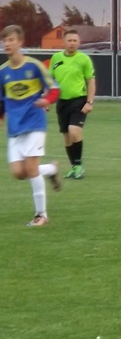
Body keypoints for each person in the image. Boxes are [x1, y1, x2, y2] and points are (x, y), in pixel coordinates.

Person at [0, 25, 63, 227]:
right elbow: (1, 101)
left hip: (35, 122)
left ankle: (41, 215)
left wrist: (46, 101)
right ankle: (51, 169)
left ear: (20, 42)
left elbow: (54, 88)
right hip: (14, 127)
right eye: (4, 40)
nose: (7, 43)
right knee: (19, 173)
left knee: (31, 168)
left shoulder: (34, 66)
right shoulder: (2, 72)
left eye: (11, 40)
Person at [49, 28, 96, 179]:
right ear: (64, 42)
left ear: (79, 42)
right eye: (69, 40)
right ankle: (74, 167)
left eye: (75, 40)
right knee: (67, 136)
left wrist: (89, 102)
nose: (72, 43)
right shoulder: (56, 58)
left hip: (79, 100)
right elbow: (50, 80)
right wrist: (47, 100)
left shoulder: (84, 59)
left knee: (74, 131)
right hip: (62, 102)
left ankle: (79, 166)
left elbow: (91, 81)